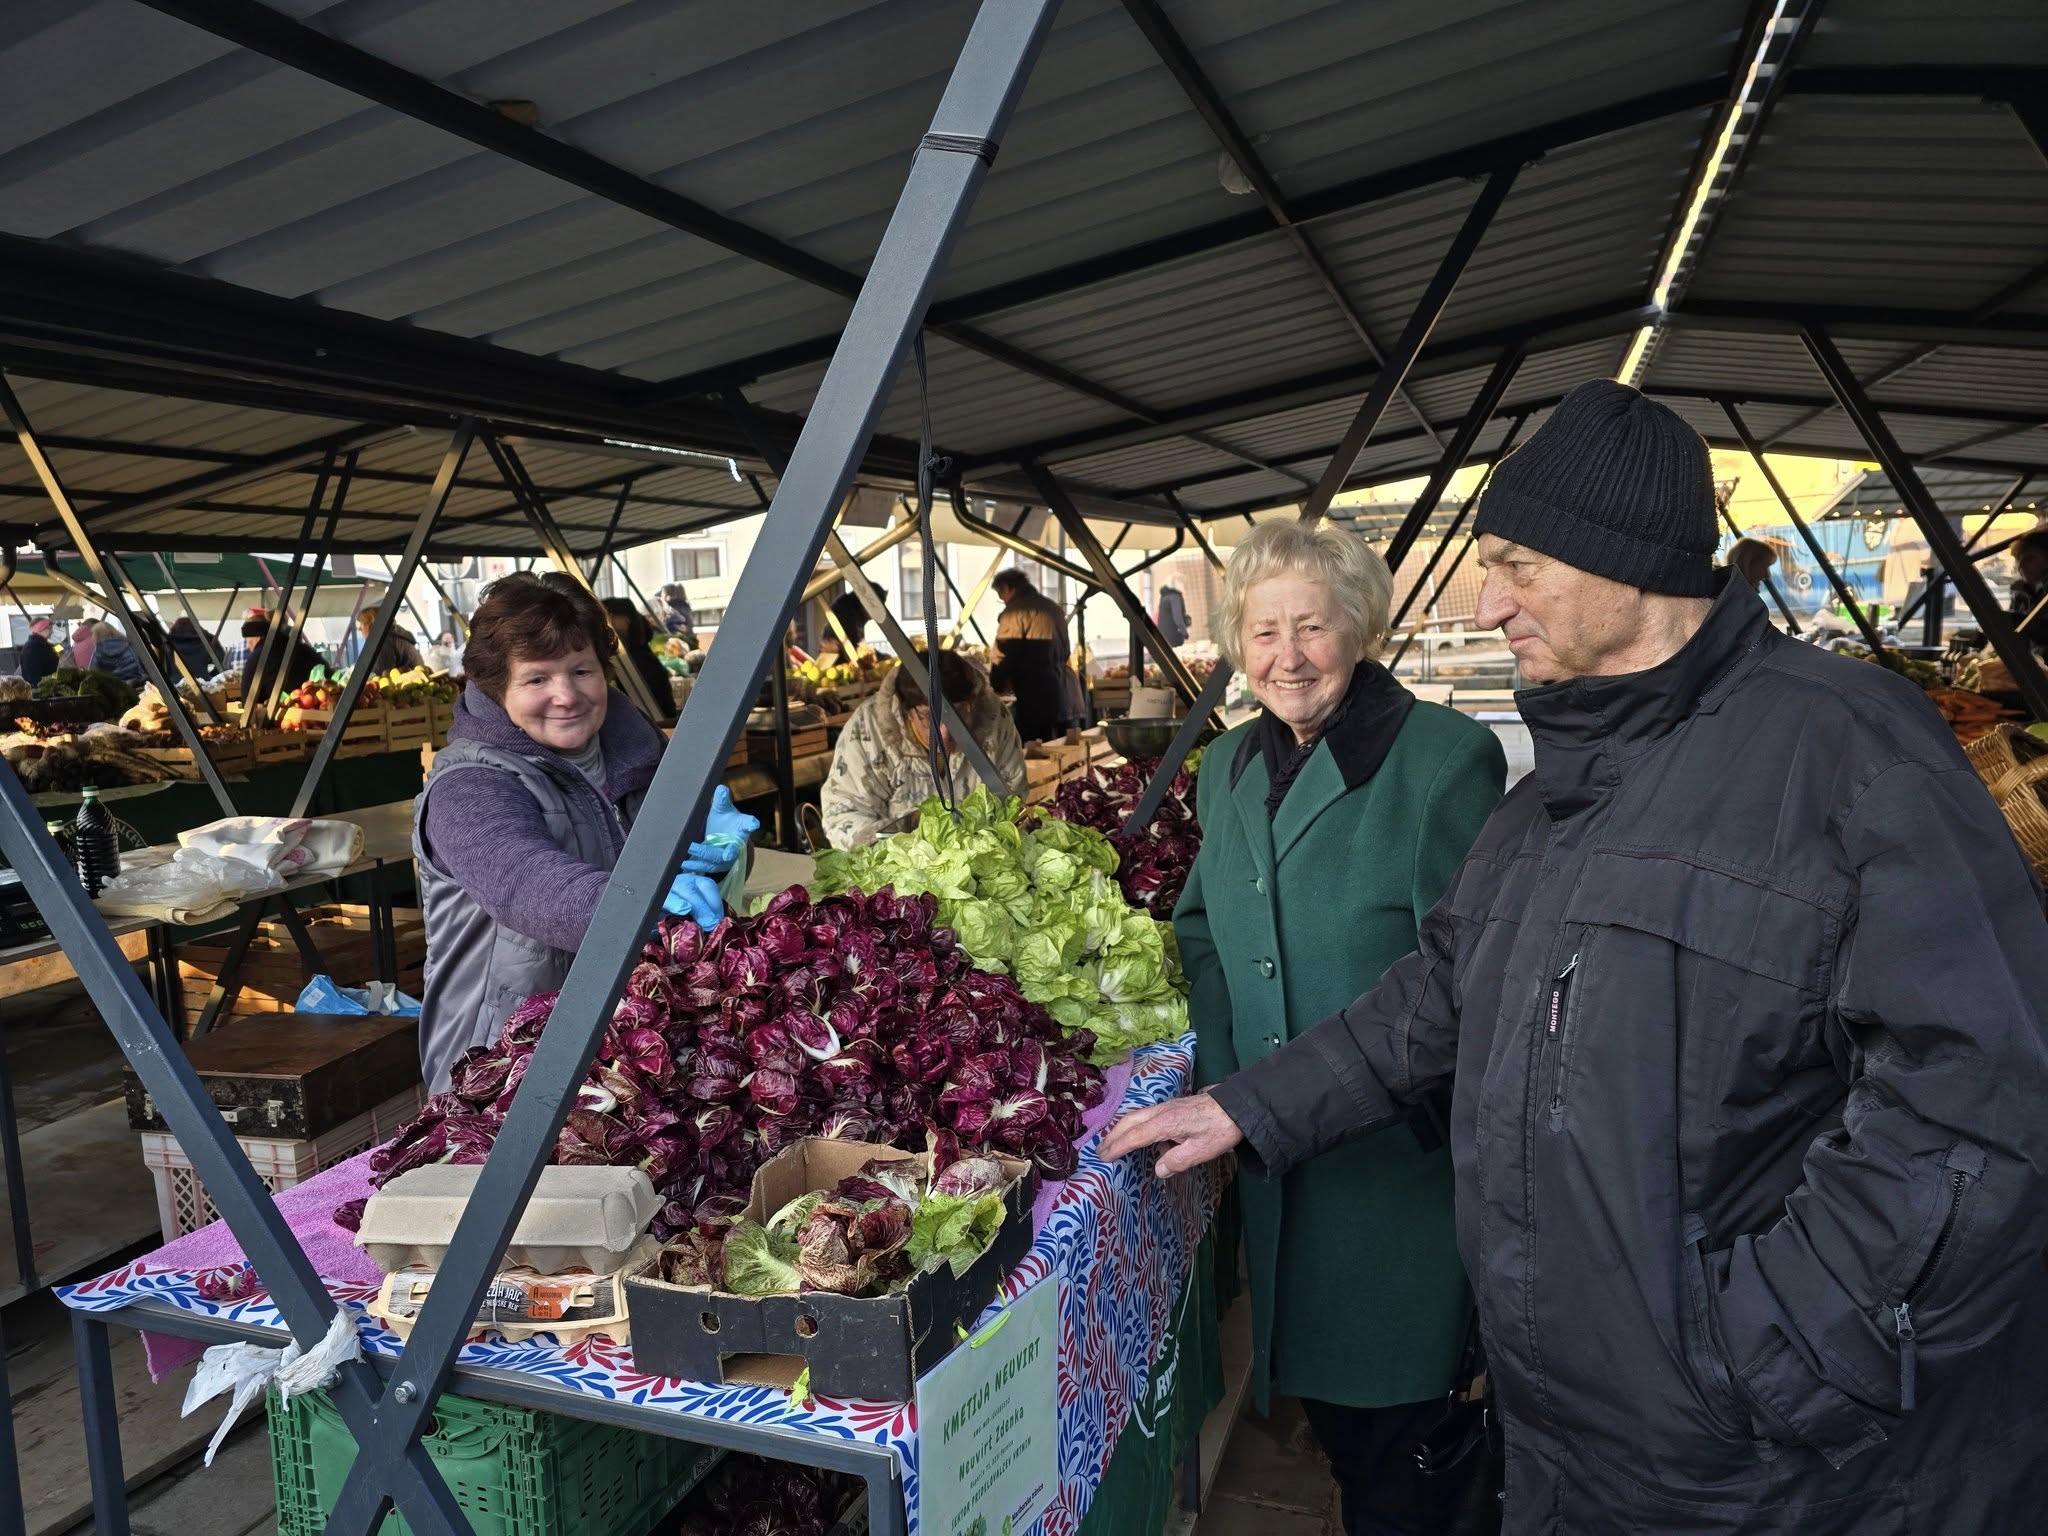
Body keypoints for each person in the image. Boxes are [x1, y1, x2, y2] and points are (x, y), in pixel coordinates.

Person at [1101, 379, 2048, 1535]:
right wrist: (1247, 1107)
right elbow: (1437, 992)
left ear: (1620, 560)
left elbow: (1980, 1110)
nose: (1488, 602)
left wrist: (1766, 1355)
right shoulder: (1558, 789)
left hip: (1773, 1468)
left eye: (1513, 564)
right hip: (1575, 1439)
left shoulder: (1848, 752)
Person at [1175, 520, 1504, 1535]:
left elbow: (1464, 989)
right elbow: (1201, 930)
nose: (1285, 656)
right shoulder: (1224, 765)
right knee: (1335, 1416)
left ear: (1357, 626)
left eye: (1310, 627)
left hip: (1390, 1178)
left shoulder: (1445, 762)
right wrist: (1234, 1089)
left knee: (1400, 1443)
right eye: (1261, 630)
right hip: (1281, 1173)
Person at [411, 573, 755, 1093]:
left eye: (581, 670)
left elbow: (693, 865)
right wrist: (643, 902)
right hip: (502, 1065)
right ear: (495, 685)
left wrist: (722, 849)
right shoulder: (468, 786)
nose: (566, 695)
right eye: (536, 679)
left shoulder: (640, 753)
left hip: (626, 1049)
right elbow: (528, 886)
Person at [820, 649, 1026, 847]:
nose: (945, 733)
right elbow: (842, 815)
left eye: (959, 713)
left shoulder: (993, 722)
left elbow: (1011, 801)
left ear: (972, 701)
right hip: (894, 871)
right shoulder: (868, 732)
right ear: (905, 709)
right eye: (929, 716)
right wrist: (905, 848)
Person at [989, 569, 1067, 743]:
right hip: (1056, 688)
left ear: (1007, 588)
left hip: (1030, 692)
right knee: (1051, 745)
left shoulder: (1015, 613)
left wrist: (996, 683)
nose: (1003, 601)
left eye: (1001, 596)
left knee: (1031, 748)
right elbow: (1065, 650)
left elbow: (1004, 652)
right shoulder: (1053, 608)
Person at [601, 597, 676, 721]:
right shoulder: (636, 656)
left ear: (626, 620)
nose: (605, 623)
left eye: (610, 616)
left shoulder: (636, 661)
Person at [240, 617, 323, 705]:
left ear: (258, 636)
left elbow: (247, 701)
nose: (248, 645)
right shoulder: (303, 649)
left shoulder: (258, 657)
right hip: (318, 709)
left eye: (248, 639)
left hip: (279, 715)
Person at [2007, 525, 2048, 659]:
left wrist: (2016, 621)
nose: (2021, 565)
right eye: (2018, 558)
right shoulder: (2019, 592)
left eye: (2030, 558)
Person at [355, 604, 424, 674]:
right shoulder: (395, 635)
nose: (359, 629)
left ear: (370, 625)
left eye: (362, 623)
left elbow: (380, 675)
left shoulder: (384, 642)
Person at [89, 621, 146, 685]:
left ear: (96, 637)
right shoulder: (129, 645)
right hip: (140, 683)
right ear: (113, 631)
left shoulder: (97, 654)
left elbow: (93, 676)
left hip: (118, 690)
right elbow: (143, 664)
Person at [167, 615, 222, 680]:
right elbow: (222, 662)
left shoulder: (167, 643)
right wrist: (211, 676)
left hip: (173, 686)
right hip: (203, 684)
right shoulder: (207, 640)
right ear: (196, 627)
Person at [19, 618, 58, 685]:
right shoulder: (32, 648)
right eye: (49, 629)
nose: (52, 631)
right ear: (41, 629)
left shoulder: (44, 644)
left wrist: (60, 650)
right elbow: (33, 675)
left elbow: (56, 649)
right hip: (41, 689)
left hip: (49, 685)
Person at [659, 583, 697, 647]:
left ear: (668, 595)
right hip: (688, 641)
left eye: (662, 593)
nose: (661, 596)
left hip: (680, 643)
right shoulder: (683, 605)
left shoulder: (674, 608)